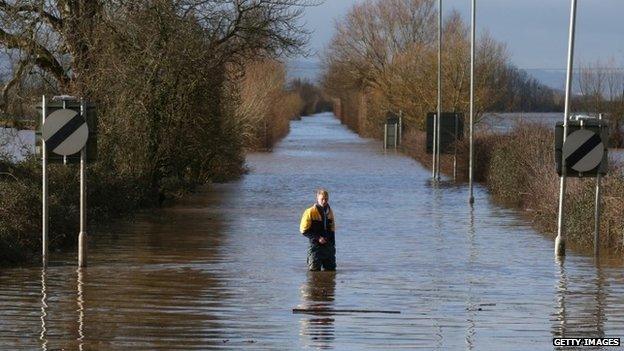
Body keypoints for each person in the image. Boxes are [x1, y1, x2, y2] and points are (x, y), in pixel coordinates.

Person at [299, 188, 336, 271]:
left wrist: (333, 244)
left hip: (328, 246)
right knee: (314, 271)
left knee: (331, 270)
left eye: (326, 199)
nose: (324, 201)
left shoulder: (330, 211)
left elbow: (332, 229)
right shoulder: (310, 212)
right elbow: (303, 231)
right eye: (322, 199)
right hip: (315, 246)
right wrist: (318, 238)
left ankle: (326, 284)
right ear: (317, 199)